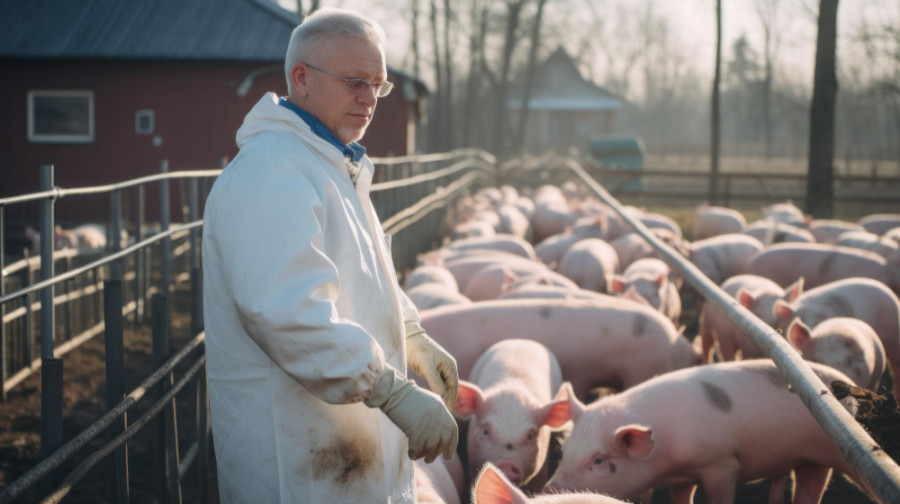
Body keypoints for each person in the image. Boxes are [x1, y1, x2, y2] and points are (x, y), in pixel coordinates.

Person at [202, 7, 459, 503]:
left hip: (346, 449)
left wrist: (409, 330)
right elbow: (287, 314)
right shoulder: (270, 174)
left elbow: (362, 273)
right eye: (354, 81)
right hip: (302, 464)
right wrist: (391, 389)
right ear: (301, 78)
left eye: (378, 86)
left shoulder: (330, 164)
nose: (369, 100)